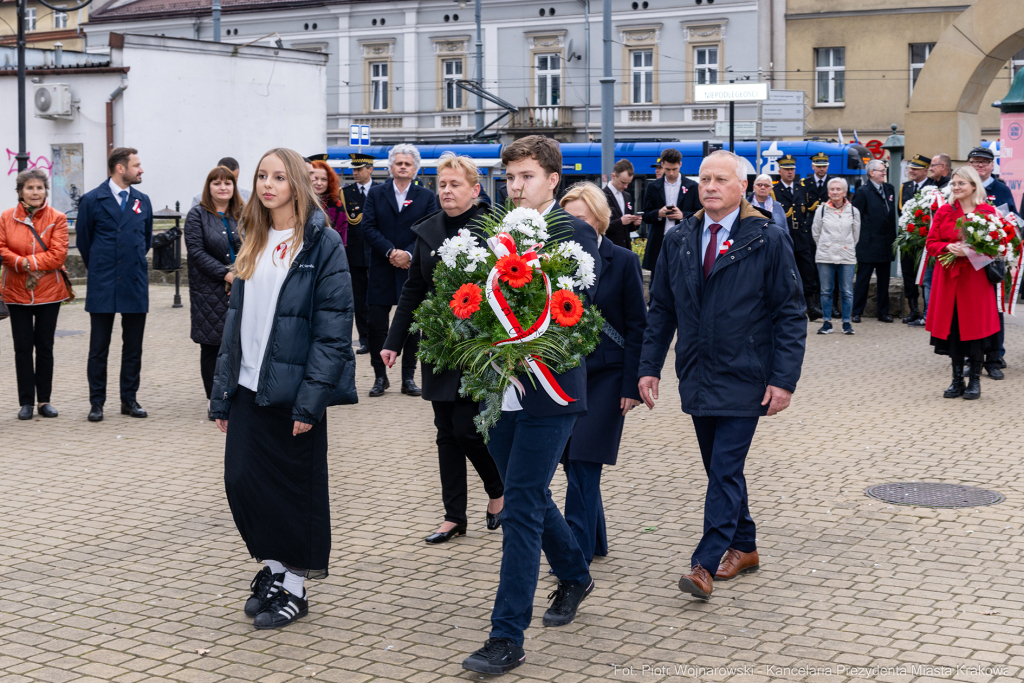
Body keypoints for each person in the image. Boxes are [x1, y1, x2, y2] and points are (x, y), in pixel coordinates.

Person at [461, 136, 603, 676]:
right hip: (501, 387)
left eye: (525, 177)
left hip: (552, 388)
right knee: (529, 492)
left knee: (519, 501)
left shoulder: (573, 233)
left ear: (552, 180)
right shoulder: (496, 232)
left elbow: (577, 309)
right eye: (510, 177)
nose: (515, 187)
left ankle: (507, 636)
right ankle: (573, 571)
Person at [638, 149, 806, 601]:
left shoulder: (766, 237)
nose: (709, 187)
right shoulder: (681, 237)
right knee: (720, 468)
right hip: (697, 371)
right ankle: (745, 545)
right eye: (704, 179)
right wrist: (648, 366)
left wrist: (783, 380)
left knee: (725, 470)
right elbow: (663, 309)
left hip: (747, 373)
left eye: (720, 179)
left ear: (742, 187)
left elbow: (790, 313)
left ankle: (705, 563)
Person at [210, 147, 356, 630]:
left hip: (294, 391)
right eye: (261, 177)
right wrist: (223, 392)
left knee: (295, 493)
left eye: (277, 177)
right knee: (244, 484)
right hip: (249, 387)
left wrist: (312, 401)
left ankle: (294, 586)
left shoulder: (322, 242)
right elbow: (234, 325)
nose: (267, 185)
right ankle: (274, 569)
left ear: (296, 182)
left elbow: (333, 330)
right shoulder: (252, 235)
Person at [381, 152, 505, 545]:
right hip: (439, 343)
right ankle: (454, 516)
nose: (447, 191)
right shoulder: (428, 231)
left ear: (475, 189)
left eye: (455, 184)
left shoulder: (494, 228)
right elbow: (414, 289)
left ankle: (498, 489)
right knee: (445, 433)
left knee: (467, 429)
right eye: (442, 184)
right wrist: (393, 342)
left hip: (479, 344)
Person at [558, 182, 647, 565]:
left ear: (599, 219)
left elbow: (638, 328)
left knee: (583, 460)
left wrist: (633, 385)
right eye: (565, 219)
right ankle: (596, 541)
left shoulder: (623, 261)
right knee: (573, 461)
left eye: (579, 218)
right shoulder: (553, 262)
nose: (571, 226)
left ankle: (574, 553)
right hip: (564, 374)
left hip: (609, 377)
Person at [75, 147, 153, 422]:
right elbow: (84, 242)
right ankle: (97, 403)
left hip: (133, 282)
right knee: (99, 348)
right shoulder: (92, 200)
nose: (141, 170)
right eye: (137, 165)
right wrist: (102, 266)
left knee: (133, 347)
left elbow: (145, 239)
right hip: (104, 282)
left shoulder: (142, 200)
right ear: (120, 168)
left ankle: (129, 400)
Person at [361, 144, 439, 397]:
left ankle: (408, 378)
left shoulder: (427, 197)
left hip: (411, 269)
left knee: (413, 325)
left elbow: (429, 228)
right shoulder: (375, 193)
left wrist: (407, 253)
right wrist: (390, 252)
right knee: (376, 326)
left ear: (416, 168)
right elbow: (368, 227)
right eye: (398, 163)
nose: (403, 167)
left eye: (407, 163)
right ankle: (379, 378)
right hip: (382, 268)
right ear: (390, 167)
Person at [925, 165, 1000, 401]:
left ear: (973, 186)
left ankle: (974, 381)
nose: (956, 187)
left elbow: (995, 246)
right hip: (948, 277)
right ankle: (957, 379)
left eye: (961, 184)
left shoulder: (987, 212)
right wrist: (947, 247)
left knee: (975, 329)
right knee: (954, 328)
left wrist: (969, 251)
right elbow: (931, 243)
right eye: (954, 184)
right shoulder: (944, 211)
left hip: (975, 278)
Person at [0, 169, 70, 420]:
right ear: (20, 192)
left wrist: (26, 262)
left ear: (45, 191)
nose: (35, 192)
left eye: (39, 188)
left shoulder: (58, 218)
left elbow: (58, 254)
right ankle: (26, 402)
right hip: (16, 292)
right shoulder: (6, 218)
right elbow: (2, 250)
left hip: (49, 292)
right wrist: (24, 264)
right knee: (22, 348)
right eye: (29, 188)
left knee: (45, 347)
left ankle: (44, 401)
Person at [183, 165, 243, 417]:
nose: (223, 187)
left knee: (239, 345)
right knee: (212, 346)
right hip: (209, 291)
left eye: (227, 183)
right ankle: (213, 399)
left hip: (241, 285)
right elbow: (196, 253)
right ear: (208, 188)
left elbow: (253, 245)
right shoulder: (197, 215)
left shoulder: (242, 214)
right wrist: (226, 274)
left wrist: (240, 274)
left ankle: (236, 396)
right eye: (217, 183)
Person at [967, 145, 1015, 379]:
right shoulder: (962, 188)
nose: (979, 166)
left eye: (983, 162)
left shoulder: (1001, 189)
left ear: (991, 166)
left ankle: (995, 357)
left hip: (993, 259)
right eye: (975, 162)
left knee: (994, 309)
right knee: (969, 309)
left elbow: (1012, 221)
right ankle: (971, 356)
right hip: (967, 259)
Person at [772, 154, 820, 321]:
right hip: (785, 237)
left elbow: (808, 210)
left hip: (801, 236)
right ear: (780, 171)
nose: (790, 172)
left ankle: (811, 306)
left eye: (792, 169)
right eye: (786, 169)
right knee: (785, 270)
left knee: (807, 271)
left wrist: (806, 228)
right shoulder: (775, 191)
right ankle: (788, 305)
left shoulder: (802, 189)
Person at [811, 177, 860, 336]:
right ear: (828, 192)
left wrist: (845, 246)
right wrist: (827, 245)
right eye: (832, 189)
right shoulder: (822, 210)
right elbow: (816, 233)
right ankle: (827, 322)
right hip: (825, 255)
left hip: (846, 255)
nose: (835, 192)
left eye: (838, 189)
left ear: (845, 192)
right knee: (826, 291)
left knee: (847, 291)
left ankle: (846, 323)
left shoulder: (853, 211)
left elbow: (855, 235)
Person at [641, 148, 700, 279]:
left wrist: (683, 215)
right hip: (659, 242)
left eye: (674, 169)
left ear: (680, 165)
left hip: (684, 240)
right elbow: (645, 215)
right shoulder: (653, 186)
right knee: (657, 282)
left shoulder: (692, 187)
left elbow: (700, 214)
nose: (671, 173)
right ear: (662, 165)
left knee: (682, 280)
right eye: (668, 169)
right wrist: (658, 213)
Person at [851, 160, 897, 323]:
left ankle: (883, 312)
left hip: (885, 243)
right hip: (868, 244)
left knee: (884, 281)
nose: (884, 173)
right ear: (871, 173)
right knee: (863, 279)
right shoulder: (863, 191)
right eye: (881, 171)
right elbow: (855, 217)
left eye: (884, 171)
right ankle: (857, 311)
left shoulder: (889, 189)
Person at [341, 153, 377, 355]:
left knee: (377, 298)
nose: (355, 173)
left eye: (359, 169)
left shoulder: (380, 191)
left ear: (370, 169)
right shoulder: (346, 192)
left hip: (375, 253)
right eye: (353, 169)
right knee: (359, 299)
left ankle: (379, 337)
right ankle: (364, 339)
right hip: (354, 254)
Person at [898, 154, 934, 327]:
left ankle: (928, 310)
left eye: (916, 169)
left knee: (925, 278)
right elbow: (901, 212)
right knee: (908, 275)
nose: (911, 171)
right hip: (908, 240)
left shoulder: (932, 187)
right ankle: (913, 310)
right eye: (911, 168)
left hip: (924, 242)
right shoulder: (904, 187)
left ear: (925, 171)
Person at [603, 159, 641, 250]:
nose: (626, 186)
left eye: (628, 183)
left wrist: (635, 224)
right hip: (610, 248)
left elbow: (627, 228)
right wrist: (620, 222)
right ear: (613, 176)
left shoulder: (627, 196)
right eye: (623, 182)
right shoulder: (602, 196)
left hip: (626, 248)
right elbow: (600, 226)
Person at [310, 160, 349, 244]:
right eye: (315, 178)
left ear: (329, 182)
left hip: (328, 253)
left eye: (324, 179)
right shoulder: (298, 202)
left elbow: (342, 237)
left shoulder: (336, 205)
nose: (319, 183)